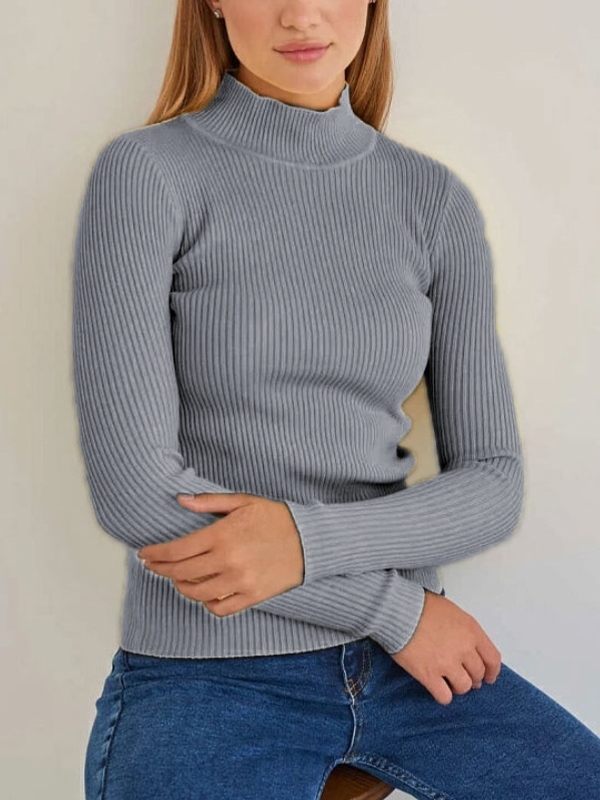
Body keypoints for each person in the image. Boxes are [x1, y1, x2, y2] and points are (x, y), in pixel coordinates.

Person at [72, 1, 600, 798]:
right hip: (213, 677)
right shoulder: (148, 172)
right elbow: (137, 495)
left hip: (410, 673)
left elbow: (494, 482)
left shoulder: (433, 199)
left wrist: (303, 542)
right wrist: (393, 610)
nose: (301, 16)